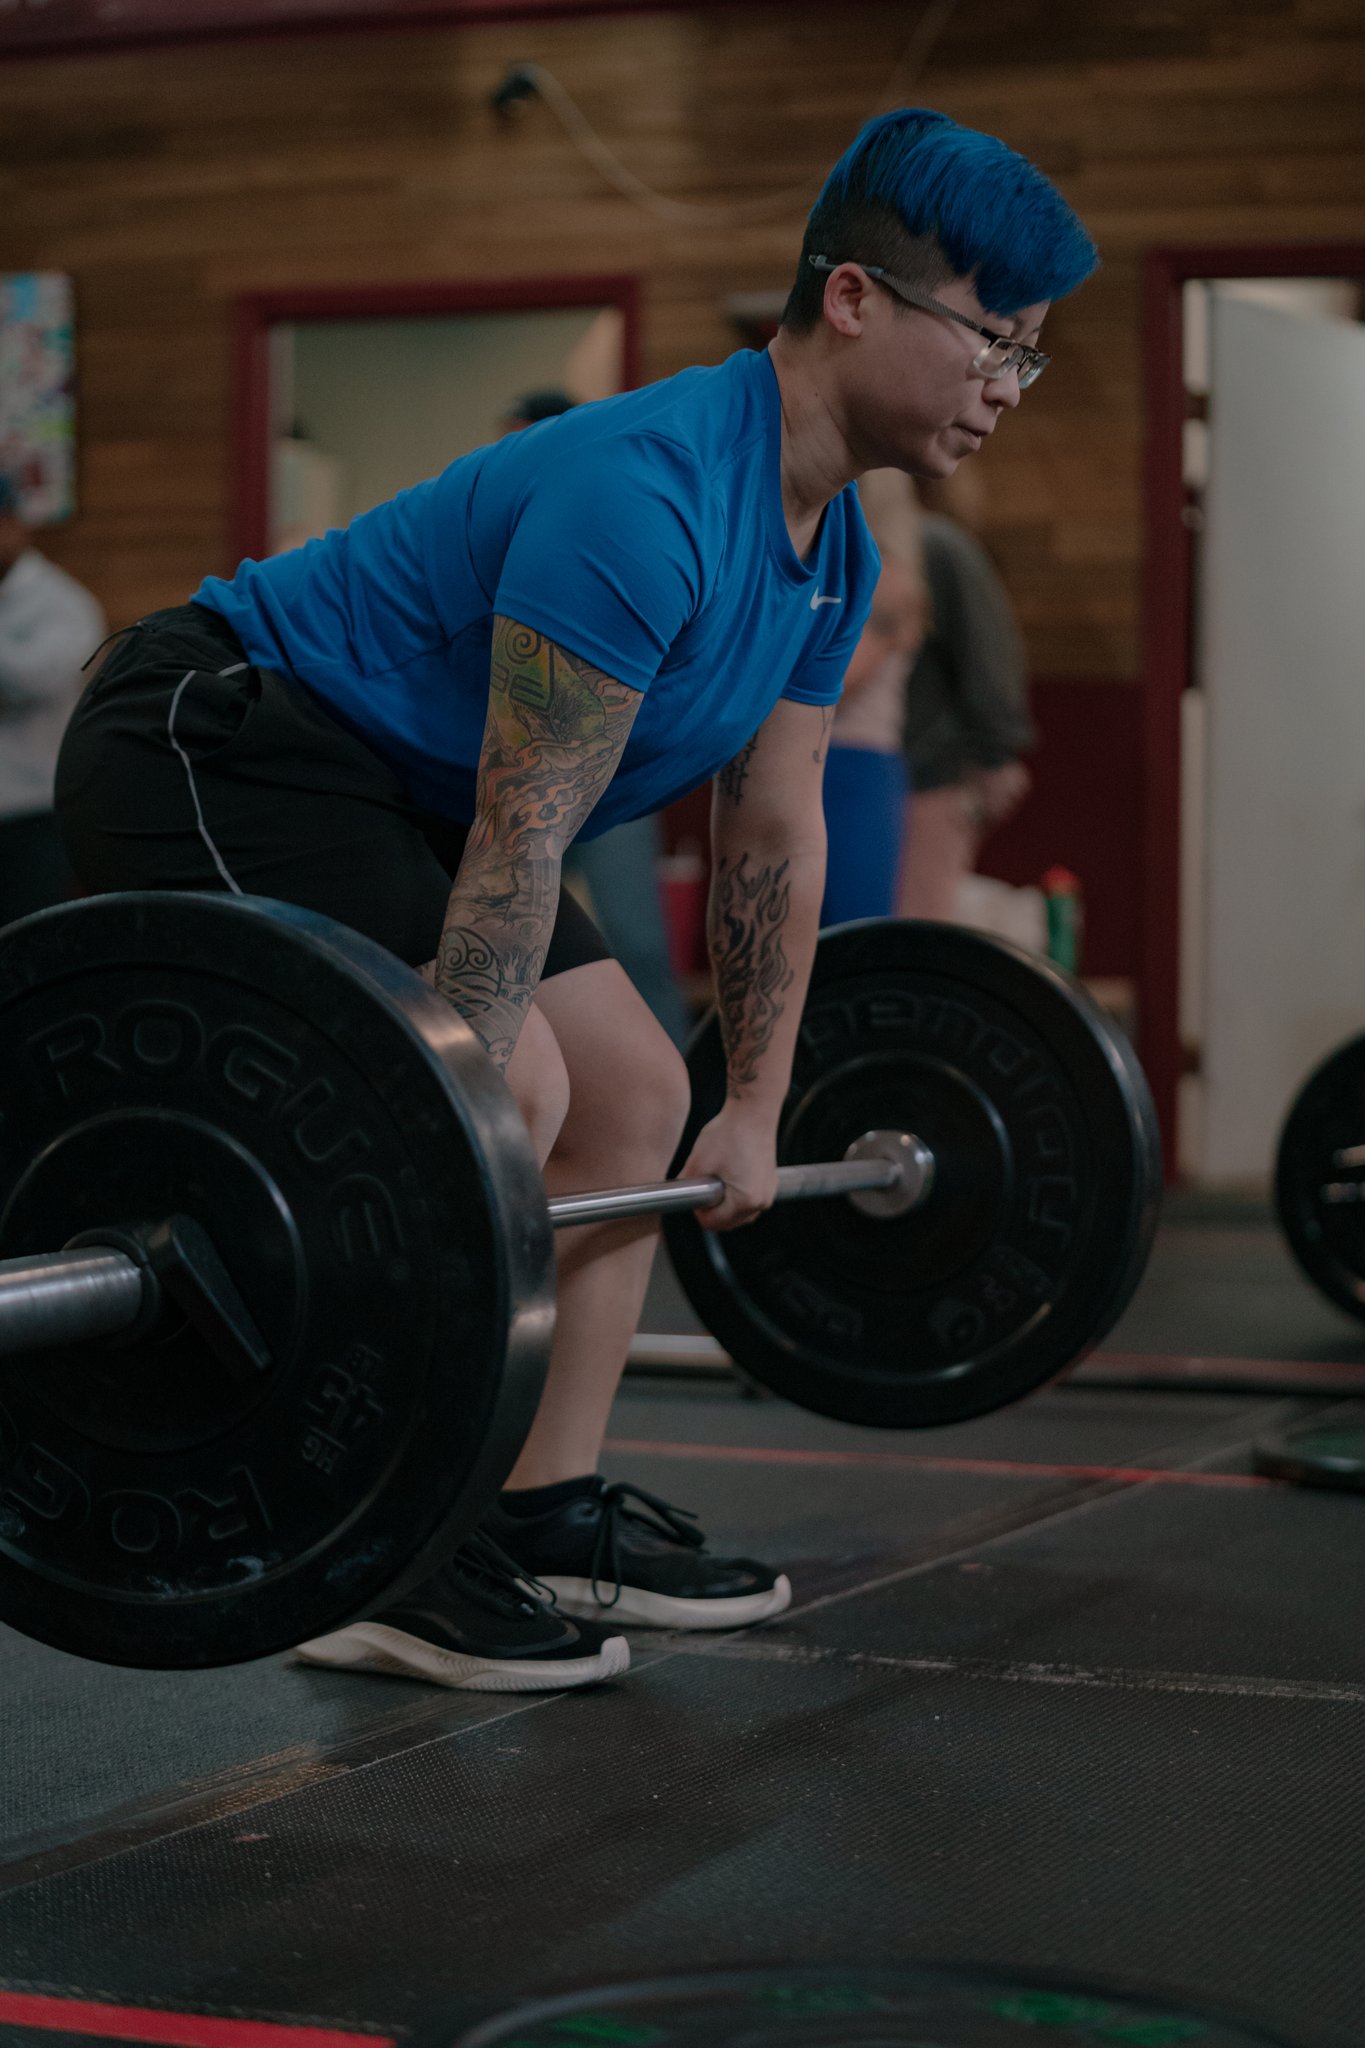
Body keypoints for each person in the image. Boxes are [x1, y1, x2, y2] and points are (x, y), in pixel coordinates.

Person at [54, 107, 1096, 1694]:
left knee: (634, 1092)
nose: (1005, 389)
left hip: (406, 790)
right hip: (227, 734)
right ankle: (392, 1552)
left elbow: (771, 836)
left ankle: (538, 1512)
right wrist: (446, 1118)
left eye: (1030, 356)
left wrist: (753, 1107)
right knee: (512, 1083)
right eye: (991, 342)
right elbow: (526, 829)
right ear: (854, 300)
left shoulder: (830, 557)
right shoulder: (654, 491)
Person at [502, 388, 691, 1046]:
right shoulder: (502, 519)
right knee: (508, 934)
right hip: (522, 763)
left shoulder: (617, 514)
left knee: (636, 941)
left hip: (610, 767)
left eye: (520, 436)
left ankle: (680, 1099)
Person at [896, 503, 1035, 921]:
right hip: (867, 777)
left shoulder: (935, 547)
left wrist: (995, 753)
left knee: (912, 935)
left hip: (928, 779)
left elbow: (988, 654)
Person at [820, 468, 927, 925]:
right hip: (824, 758)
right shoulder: (840, 564)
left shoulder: (888, 582)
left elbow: (836, 684)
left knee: (845, 931)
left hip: (851, 765)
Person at [0, 474, 105, 926]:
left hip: (31, 813)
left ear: (14, 525)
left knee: (21, 944)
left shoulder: (63, 604)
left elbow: (37, 680)